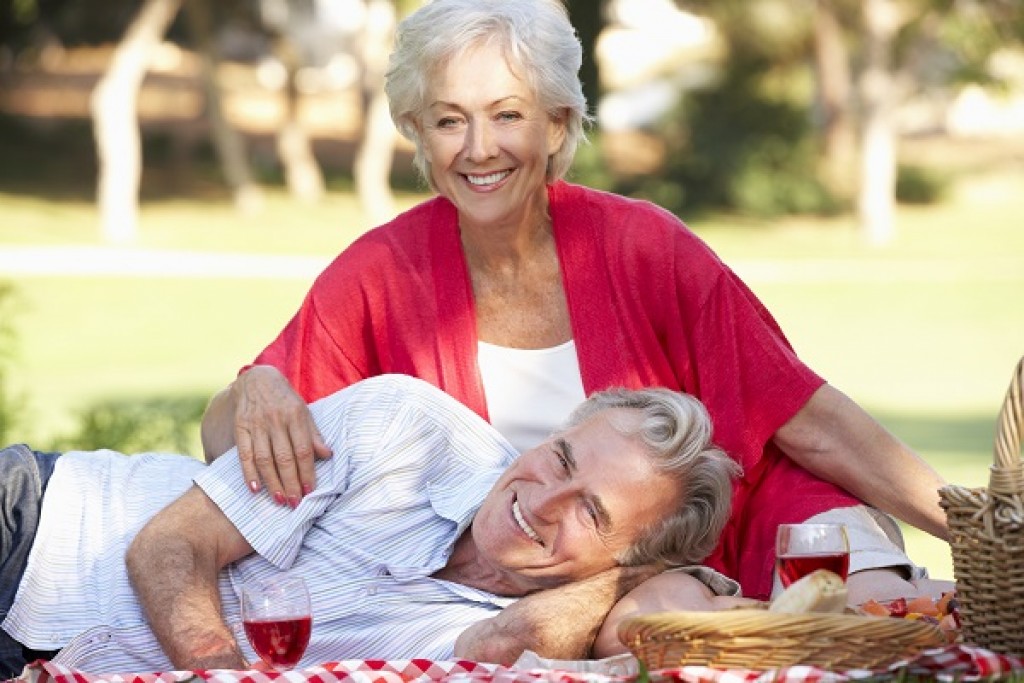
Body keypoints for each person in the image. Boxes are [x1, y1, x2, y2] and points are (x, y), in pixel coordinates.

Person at [199, 0, 948, 614]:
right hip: (558, 593)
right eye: (450, 119)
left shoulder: (641, 244)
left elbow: (801, 412)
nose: (478, 149)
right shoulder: (382, 272)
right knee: (647, 620)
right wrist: (258, 385)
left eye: (508, 115)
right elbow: (222, 440)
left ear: (557, 124)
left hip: (712, 535)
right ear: (419, 134)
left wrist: (973, 526)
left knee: (882, 603)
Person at [0, 375, 742, 678]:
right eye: (560, 457)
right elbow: (168, 546)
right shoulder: (405, 424)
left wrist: (634, 576)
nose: (541, 498)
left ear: (623, 560)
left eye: (589, 510)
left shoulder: (510, 629)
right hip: (40, 526)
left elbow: (508, 644)